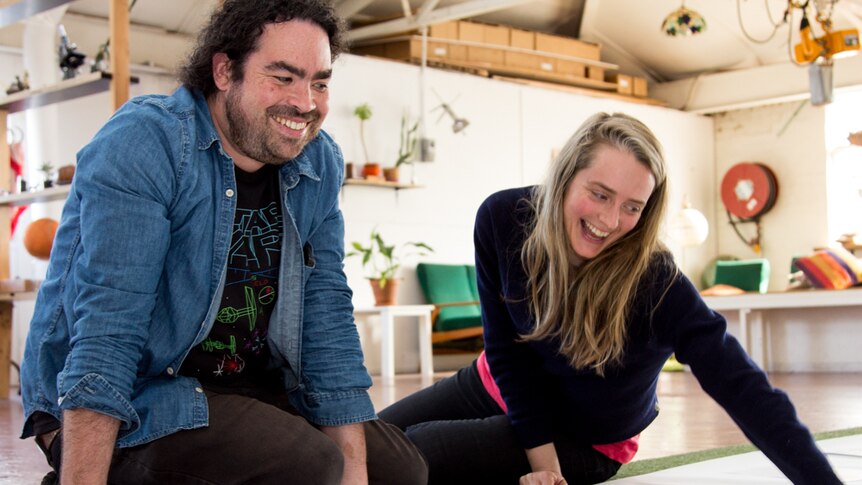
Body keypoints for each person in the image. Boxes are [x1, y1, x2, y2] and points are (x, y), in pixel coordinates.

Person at [19, 1, 427, 484]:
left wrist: (355, 474)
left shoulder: (317, 162)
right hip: (140, 394)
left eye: (319, 82)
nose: (306, 103)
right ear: (224, 71)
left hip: (243, 385)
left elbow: (326, 318)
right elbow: (108, 328)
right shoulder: (148, 143)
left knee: (399, 472)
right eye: (283, 77)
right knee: (308, 464)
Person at [379, 112, 841, 485]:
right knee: (370, 440)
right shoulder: (504, 218)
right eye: (599, 194)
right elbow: (505, 352)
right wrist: (543, 467)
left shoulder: (657, 283)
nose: (610, 219)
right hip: (498, 384)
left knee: (418, 454)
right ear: (566, 176)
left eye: (632, 207)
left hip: (587, 439)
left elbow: (744, 388)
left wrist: (550, 471)